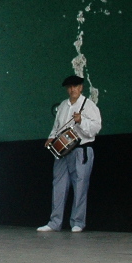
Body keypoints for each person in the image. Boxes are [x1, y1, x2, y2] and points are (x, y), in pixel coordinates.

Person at [37, 75, 102, 233]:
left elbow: (96, 128)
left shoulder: (89, 105)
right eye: (69, 87)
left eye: (75, 86)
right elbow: (57, 126)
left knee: (80, 186)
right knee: (58, 186)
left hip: (81, 149)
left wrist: (81, 121)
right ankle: (55, 222)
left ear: (81, 88)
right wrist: (51, 137)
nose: (72, 89)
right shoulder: (63, 106)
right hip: (62, 152)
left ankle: (77, 222)